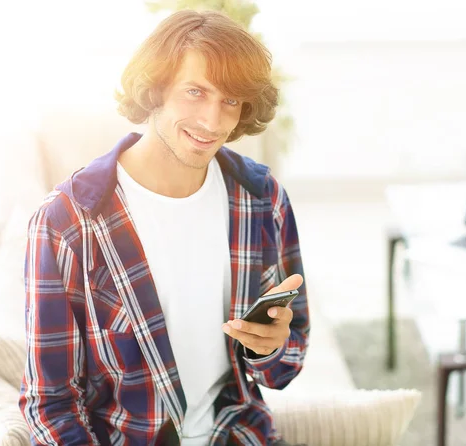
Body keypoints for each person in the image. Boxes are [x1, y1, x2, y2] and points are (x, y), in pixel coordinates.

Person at [19, 9, 309, 446]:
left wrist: (269, 347)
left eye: (230, 100)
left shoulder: (262, 199)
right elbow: (50, 403)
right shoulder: (67, 222)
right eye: (195, 91)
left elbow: (285, 366)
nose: (213, 121)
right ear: (154, 89)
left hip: (239, 436)